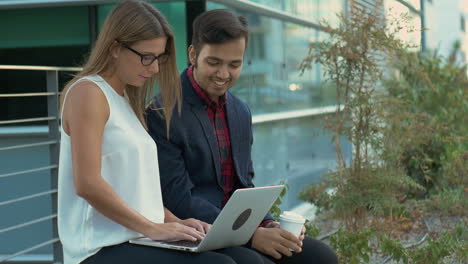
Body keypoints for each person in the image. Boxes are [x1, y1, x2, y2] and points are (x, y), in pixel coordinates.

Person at [57, 1, 265, 264]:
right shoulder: (88, 93)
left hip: (137, 238)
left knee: (248, 260)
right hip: (98, 248)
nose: (155, 68)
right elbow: (87, 184)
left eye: (160, 58)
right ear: (115, 49)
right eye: (147, 57)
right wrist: (153, 228)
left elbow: (134, 190)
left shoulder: (126, 101)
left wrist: (178, 223)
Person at [146, 8, 338, 264]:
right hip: (195, 230)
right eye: (213, 62)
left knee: (320, 257)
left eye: (234, 64)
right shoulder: (164, 112)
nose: (223, 74)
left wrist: (269, 224)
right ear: (193, 54)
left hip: (241, 229)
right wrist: (250, 235)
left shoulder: (239, 111)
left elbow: (243, 185)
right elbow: (179, 200)